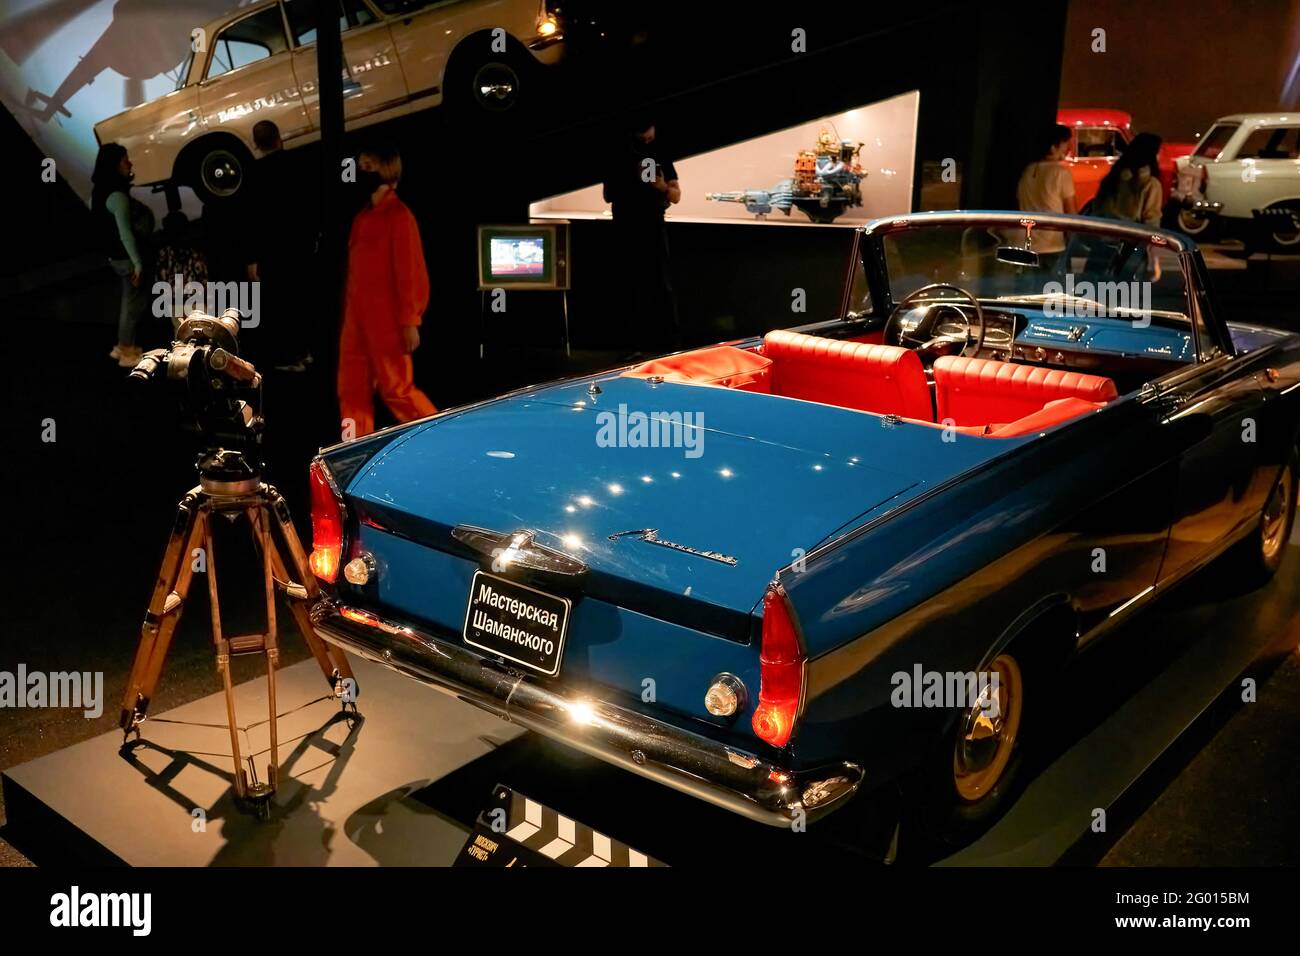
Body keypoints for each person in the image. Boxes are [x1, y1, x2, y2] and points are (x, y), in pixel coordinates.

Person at [337, 145, 437, 438]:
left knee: (398, 391)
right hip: (356, 320)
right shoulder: (362, 218)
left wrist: (410, 321)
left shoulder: (399, 216)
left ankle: (437, 437)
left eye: (367, 166)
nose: (360, 173)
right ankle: (351, 446)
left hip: (387, 321)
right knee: (351, 388)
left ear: (385, 170)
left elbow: (410, 272)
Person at [602, 116, 681, 355]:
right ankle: (630, 345)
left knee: (660, 287)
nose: (647, 140)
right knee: (629, 287)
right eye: (642, 136)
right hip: (627, 227)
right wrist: (631, 180)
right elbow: (609, 195)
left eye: (649, 134)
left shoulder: (661, 153)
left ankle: (668, 344)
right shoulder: (619, 156)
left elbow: (676, 195)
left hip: (653, 225)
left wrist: (660, 187)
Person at [245, 120, 313, 371]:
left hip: (271, 252)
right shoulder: (298, 163)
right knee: (301, 299)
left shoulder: (252, 174)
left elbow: (251, 219)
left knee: (281, 306)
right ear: (279, 138)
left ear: (256, 143)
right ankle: (305, 350)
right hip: (299, 245)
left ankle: (291, 356)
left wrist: (252, 258)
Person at [92, 143, 153, 367]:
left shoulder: (99, 191)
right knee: (132, 305)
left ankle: (122, 346)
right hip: (127, 260)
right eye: (125, 160)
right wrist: (138, 264)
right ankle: (127, 352)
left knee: (129, 302)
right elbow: (125, 233)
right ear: (115, 165)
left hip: (115, 258)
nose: (130, 163)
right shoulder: (117, 196)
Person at [1016, 124, 1076, 261]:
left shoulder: (1028, 171)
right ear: (1053, 147)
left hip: (1027, 244)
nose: (1068, 149)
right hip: (1052, 246)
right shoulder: (1060, 173)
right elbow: (1072, 215)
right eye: (1065, 144)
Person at [1090, 132, 1164, 227]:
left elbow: (1097, 209)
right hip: (1131, 238)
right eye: (1159, 152)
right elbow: (1152, 223)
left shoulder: (1112, 177)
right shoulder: (1151, 184)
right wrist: (1158, 240)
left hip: (1104, 235)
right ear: (1152, 154)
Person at [154, 211, 208, 332]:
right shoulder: (194, 252)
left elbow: (160, 278)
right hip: (195, 300)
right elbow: (203, 277)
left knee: (180, 334)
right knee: (200, 333)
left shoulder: (164, 253)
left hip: (174, 300)